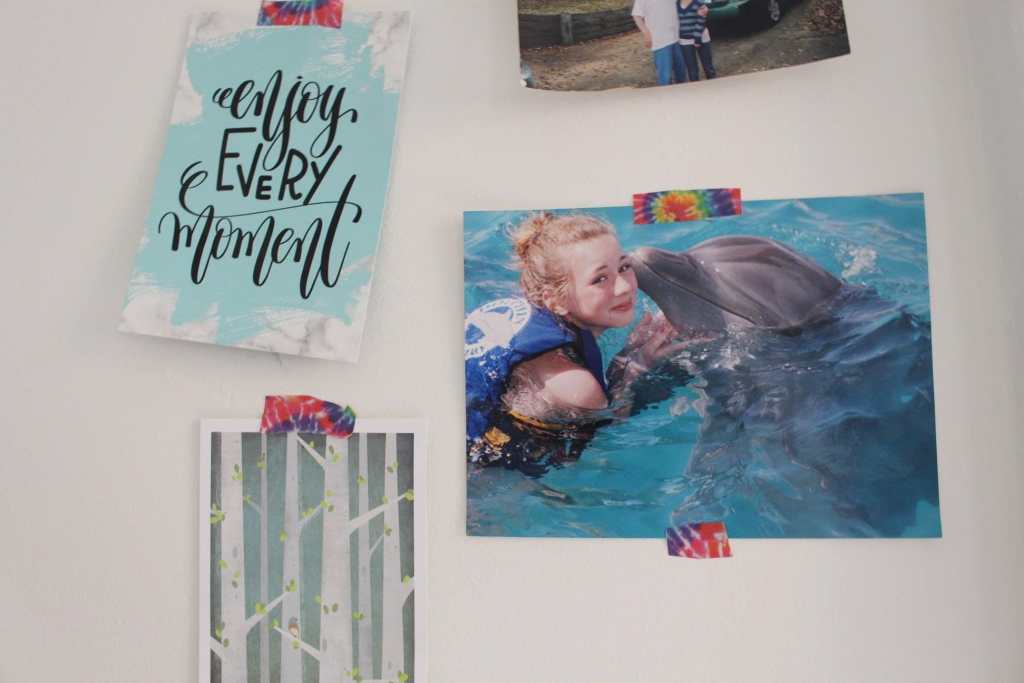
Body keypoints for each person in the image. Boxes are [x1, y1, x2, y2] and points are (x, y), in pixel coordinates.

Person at [465, 213, 684, 474]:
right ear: (555, 300)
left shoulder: (520, 313)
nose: (625, 287)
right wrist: (632, 368)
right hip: (483, 477)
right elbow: (608, 430)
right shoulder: (577, 387)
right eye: (600, 279)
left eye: (624, 266)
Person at [632, 0, 687, 86]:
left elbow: (685, 3)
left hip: (676, 39)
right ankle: (666, 98)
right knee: (665, 78)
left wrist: (701, 6)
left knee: (681, 74)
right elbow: (636, 16)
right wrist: (646, 33)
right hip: (660, 42)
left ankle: (683, 97)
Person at [678, 0, 716, 81]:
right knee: (692, 70)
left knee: (708, 67)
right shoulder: (676, 4)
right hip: (685, 41)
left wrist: (697, 38)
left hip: (701, 38)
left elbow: (701, 21)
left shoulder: (698, 3)